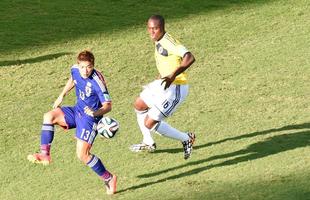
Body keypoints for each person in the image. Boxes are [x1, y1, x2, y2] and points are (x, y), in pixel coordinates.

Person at [27, 50, 117, 195]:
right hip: (77, 110)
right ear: (78, 65)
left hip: (90, 119)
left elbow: (108, 106)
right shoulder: (75, 70)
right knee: (49, 116)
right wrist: (62, 95)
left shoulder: (97, 81)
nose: (85, 71)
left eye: (88, 67)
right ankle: (45, 154)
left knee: (82, 155)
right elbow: (73, 79)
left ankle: (109, 178)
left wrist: (95, 113)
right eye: (82, 67)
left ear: (93, 65)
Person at [130, 15, 196, 159]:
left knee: (150, 123)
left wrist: (173, 75)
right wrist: (163, 75)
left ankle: (186, 138)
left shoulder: (169, 41)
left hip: (176, 87)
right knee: (139, 104)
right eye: (149, 28)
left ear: (162, 28)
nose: (152, 32)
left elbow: (189, 57)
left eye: (155, 29)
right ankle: (148, 142)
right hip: (164, 83)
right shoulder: (158, 40)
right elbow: (167, 60)